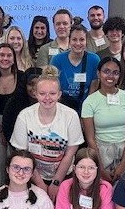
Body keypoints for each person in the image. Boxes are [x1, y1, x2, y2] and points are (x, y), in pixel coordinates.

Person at [10, 69, 84, 201]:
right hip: (31, 174)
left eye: (52, 93)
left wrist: (56, 182)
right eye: (42, 93)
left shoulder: (71, 115)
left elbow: (70, 154)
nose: (47, 98)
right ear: (35, 94)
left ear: (59, 94)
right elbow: (23, 154)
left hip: (63, 174)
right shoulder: (24, 116)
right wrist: (39, 183)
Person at [81, 57, 125, 183]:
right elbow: (90, 138)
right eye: (106, 71)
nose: (110, 76)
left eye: (115, 72)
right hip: (100, 152)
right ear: (98, 73)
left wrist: (123, 165)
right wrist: (100, 167)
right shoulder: (90, 102)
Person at [0, 43, 26, 193]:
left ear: (14, 59)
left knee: (16, 163)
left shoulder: (22, 77)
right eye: (2, 55)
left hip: (17, 125)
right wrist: (0, 131)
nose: (5, 58)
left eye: (9, 55)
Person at [50, 22, 100, 113]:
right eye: (74, 39)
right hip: (61, 106)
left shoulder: (94, 60)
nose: (78, 43)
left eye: (81, 40)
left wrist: (86, 111)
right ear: (69, 41)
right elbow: (52, 86)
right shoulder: (57, 60)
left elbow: (93, 88)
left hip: (84, 106)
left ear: (86, 41)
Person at [2, 66, 42, 142]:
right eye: (31, 84)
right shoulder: (13, 103)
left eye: (38, 84)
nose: (34, 88)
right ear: (24, 85)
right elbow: (7, 129)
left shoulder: (50, 103)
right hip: (17, 147)